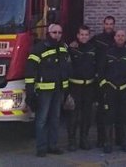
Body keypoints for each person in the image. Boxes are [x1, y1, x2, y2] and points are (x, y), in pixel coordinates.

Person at [26, 23, 70, 157]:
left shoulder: (63, 48)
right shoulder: (38, 49)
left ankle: (53, 145)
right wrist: (30, 91)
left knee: (55, 119)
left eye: (59, 32)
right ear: (48, 33)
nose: (57, 35)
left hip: (58, 90)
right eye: (54, 32)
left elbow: (67, 68)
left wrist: (66, 89)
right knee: (42, 120)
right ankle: (41, 148)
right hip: (44, 91)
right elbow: (30, 70)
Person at [99, 29, 126, 153]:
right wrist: (105, 84)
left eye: (122, 36)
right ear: (114, 38)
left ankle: (124, 141)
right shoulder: (107, 53)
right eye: (118, 36)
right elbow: (100, 72)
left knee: (125, 115)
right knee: (109, 116)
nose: (120, 38)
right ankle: (108, 142)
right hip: (110, 89)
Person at [65, 25, 98, 151]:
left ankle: (84, 139)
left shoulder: (93, 49)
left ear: (89, 36)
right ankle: (71, 141)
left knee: (87, 115)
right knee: (73, 115)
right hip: (75, 87)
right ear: (78, 36)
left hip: (89, 86)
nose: (84, 37)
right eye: (81, 34)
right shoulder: (71, 49)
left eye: (86, 34)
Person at [91, 16, 116, 147]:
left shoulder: (118, 38)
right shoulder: (97, 39)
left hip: (115, 79)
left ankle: (114, 139)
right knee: (101, 110)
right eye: (107, 24)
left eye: (111, 24)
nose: (109, 26)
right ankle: (101, 139)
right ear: (103, 24)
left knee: (114, 110)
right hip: (101, 78)